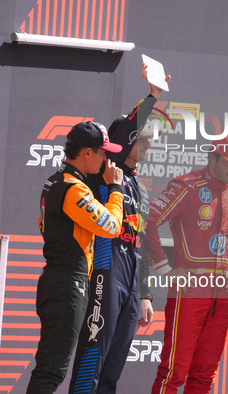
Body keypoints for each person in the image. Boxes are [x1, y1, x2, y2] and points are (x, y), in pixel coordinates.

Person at [69, 65, 170, 394]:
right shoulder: (105, 173)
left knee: (113, 369)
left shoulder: (139, 187)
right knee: (93, 360)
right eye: (141, 141)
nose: (147, 146)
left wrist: (144, 294)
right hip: (103, 274)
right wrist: (153, 96)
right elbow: (129, 129)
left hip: (128, 283)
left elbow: (139, 244)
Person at [145, 135, 228, 394]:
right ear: (212, 157)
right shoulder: (187, 185)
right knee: (174, 371)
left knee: (205, 375)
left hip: (221, 295)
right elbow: (148, 221)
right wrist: (166, 270)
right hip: (189, 293)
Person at [26, 121, 125, 394]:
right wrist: (115, 190)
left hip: (61, 280)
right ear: (87, 153)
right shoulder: (73, 188)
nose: (107, 158)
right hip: (67, 284)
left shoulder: (55, 182)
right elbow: (110, 226)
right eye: (103, 152)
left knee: (50, 368)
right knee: (51, 371)